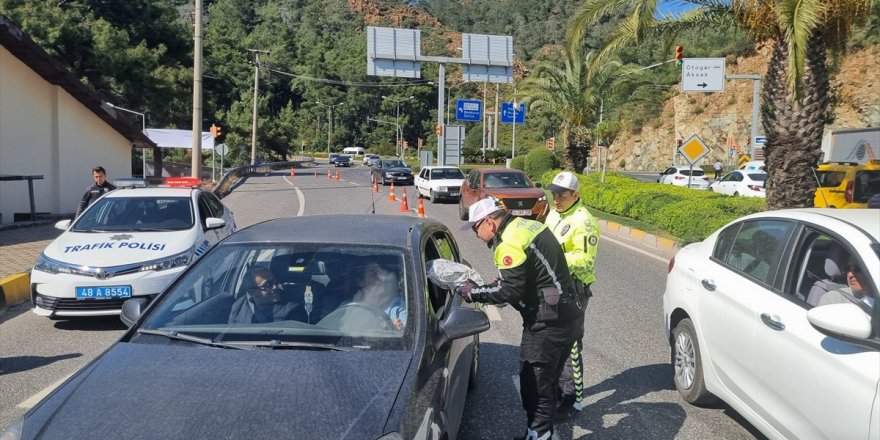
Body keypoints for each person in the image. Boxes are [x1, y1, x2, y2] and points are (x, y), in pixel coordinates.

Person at [457, 198, 582, 440]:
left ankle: (538, 435)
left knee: (534, 386)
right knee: (547, 382)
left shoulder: (509, 242)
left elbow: (509, 291)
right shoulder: (525, 226)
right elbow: (520, 279)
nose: (475, 234)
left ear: (490, 222)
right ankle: (539, 431)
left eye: (475, 227)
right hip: (567, 315)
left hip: (547, 324)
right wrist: (492, 287)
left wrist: (473, 292)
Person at [544, 171, 600, 421]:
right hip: (552, 287)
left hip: (574, 289)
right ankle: (557, 390)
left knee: (571, 346)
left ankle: (572, 400)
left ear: (575, 195)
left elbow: (585, 259)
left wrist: (553, 260)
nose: (556, 199)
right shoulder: (554, 213)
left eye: (562, 195)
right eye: (554, 194)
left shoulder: (584, 221)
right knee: (552, 341)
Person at [228, 267, 299, 324]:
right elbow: (230, 334)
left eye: (275, 281)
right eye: (268, 285)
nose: (275, 287)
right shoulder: (238, 306)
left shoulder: (292, 309)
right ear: (252, 292)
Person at [350, 261, 407, 330]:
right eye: (374, 274)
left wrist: (397, 329)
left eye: (381, 272)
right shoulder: (348, 307)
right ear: (360, 281)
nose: (381, 278)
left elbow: (408, 331)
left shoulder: (397, 309)